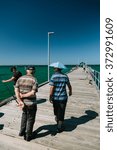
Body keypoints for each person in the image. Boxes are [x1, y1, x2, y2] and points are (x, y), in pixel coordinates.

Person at [15, 66, 38, 141]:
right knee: (30, 119)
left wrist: (20, 100)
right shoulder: (34, 79)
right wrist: (23, 96)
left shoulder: (20, 78)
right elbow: (33, 92)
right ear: (33, 71)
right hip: (31, 103)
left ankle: (21, 132)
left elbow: (16, 90)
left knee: (24, 116)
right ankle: (28, 136)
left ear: (26, 70)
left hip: (22, 103)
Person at [49, 63, 72, 133]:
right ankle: (59, 125)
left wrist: (50, 96)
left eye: (54, 67)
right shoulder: (65, 76)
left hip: (55, 97)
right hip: (63, 97)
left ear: (56, 69)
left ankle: (57, 121)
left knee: (56, 109)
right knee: (62, 111)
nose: (53, 68)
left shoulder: (53, 76)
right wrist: (70, 91)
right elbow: (69, 85)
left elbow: (52, 87)